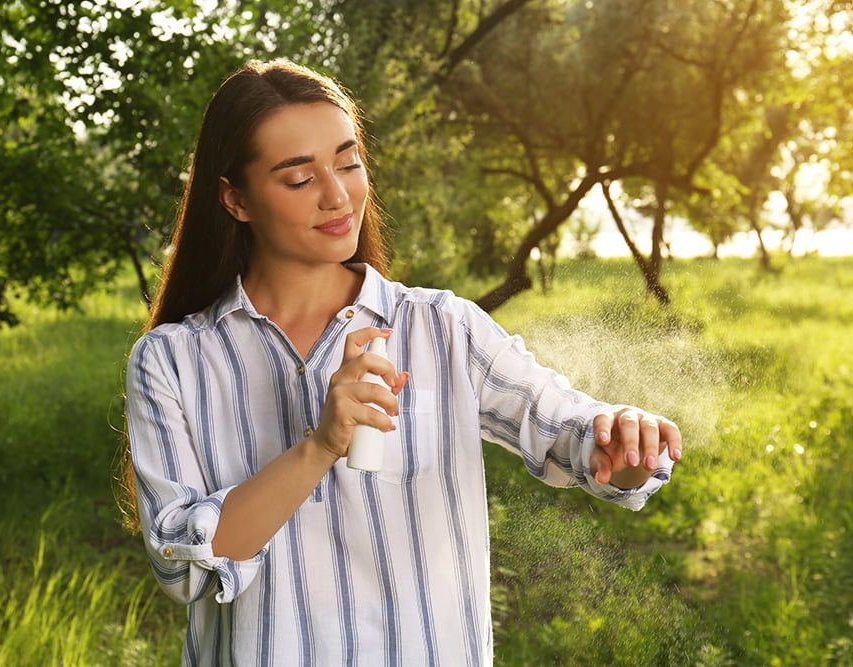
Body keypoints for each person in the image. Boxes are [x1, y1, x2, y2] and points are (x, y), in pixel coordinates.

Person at [121, 58, 682, 667]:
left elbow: (573, 436)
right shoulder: (173, 360)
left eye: (347, 161)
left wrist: (623, 443)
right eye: (298, 178)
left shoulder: (443, 327)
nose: (338, 195)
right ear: (235, 199)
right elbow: (182, 565)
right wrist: (319, 446)